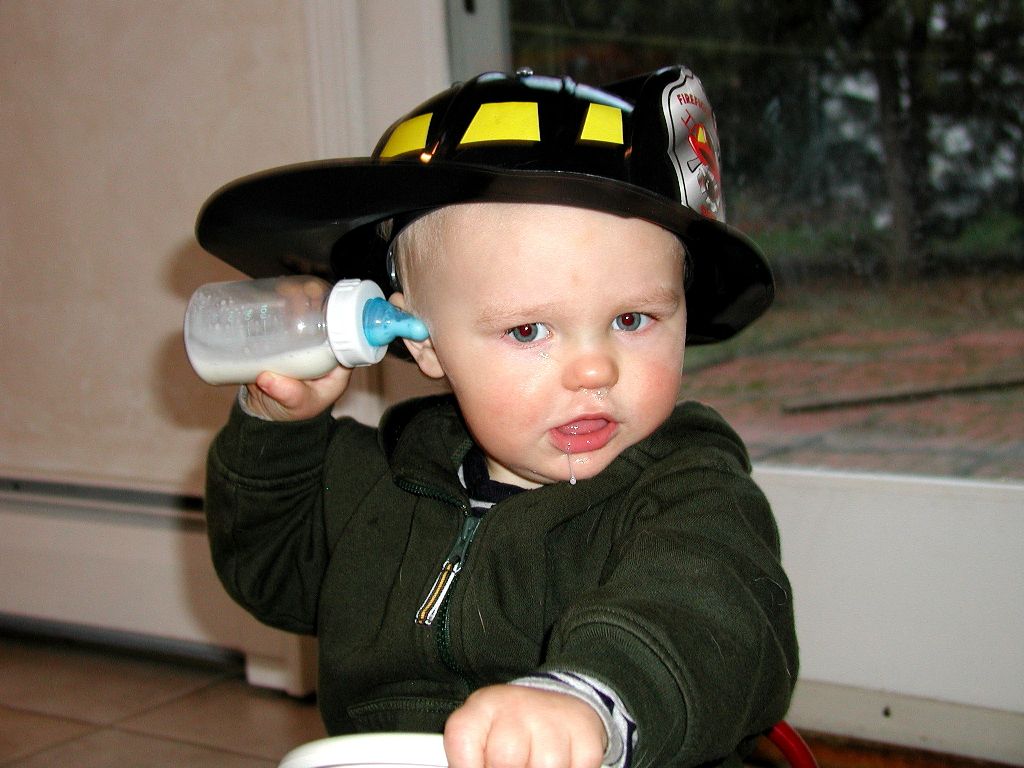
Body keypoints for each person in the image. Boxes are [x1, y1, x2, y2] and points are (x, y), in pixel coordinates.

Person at [197, 66, 798, 768]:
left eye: (632, 319)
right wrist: (278, 430)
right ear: (424, 341)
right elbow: (270, 573)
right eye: (527, 331)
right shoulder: (381, 478)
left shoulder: (689, 491)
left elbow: (711, 612)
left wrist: (591, 703)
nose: (594, 370)